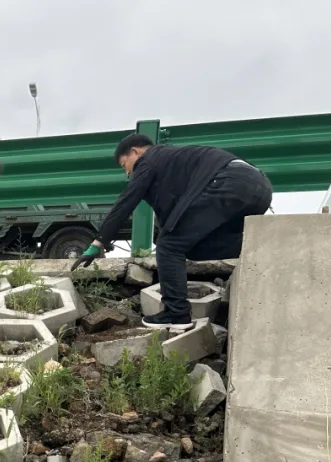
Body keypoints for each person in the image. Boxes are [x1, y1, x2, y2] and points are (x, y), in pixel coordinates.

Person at [72, 134, 273, 330]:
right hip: (260, 187)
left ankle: (176, 313)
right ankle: (269, 246)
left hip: (229, 182)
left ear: (135, 152)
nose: (127, 174)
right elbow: (176, 210)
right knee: (191, 247)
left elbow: (128, 199)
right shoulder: (173, 162)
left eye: (125, 165)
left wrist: (98, 241)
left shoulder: (149, 159)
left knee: (169, 246)